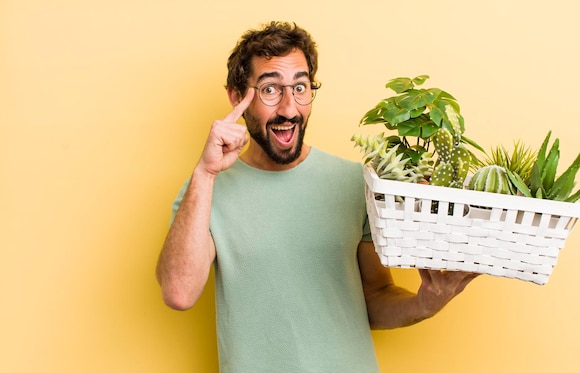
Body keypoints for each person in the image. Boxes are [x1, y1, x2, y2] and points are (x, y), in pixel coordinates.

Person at [156, 21, 479, 372]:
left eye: (300, 87)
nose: (289, 108)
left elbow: (374, 297)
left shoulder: (355, 183)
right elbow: (179, 293)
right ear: (237, 97)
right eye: (269, 90)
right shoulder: (205, 191)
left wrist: (424, 303)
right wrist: (204, 174)